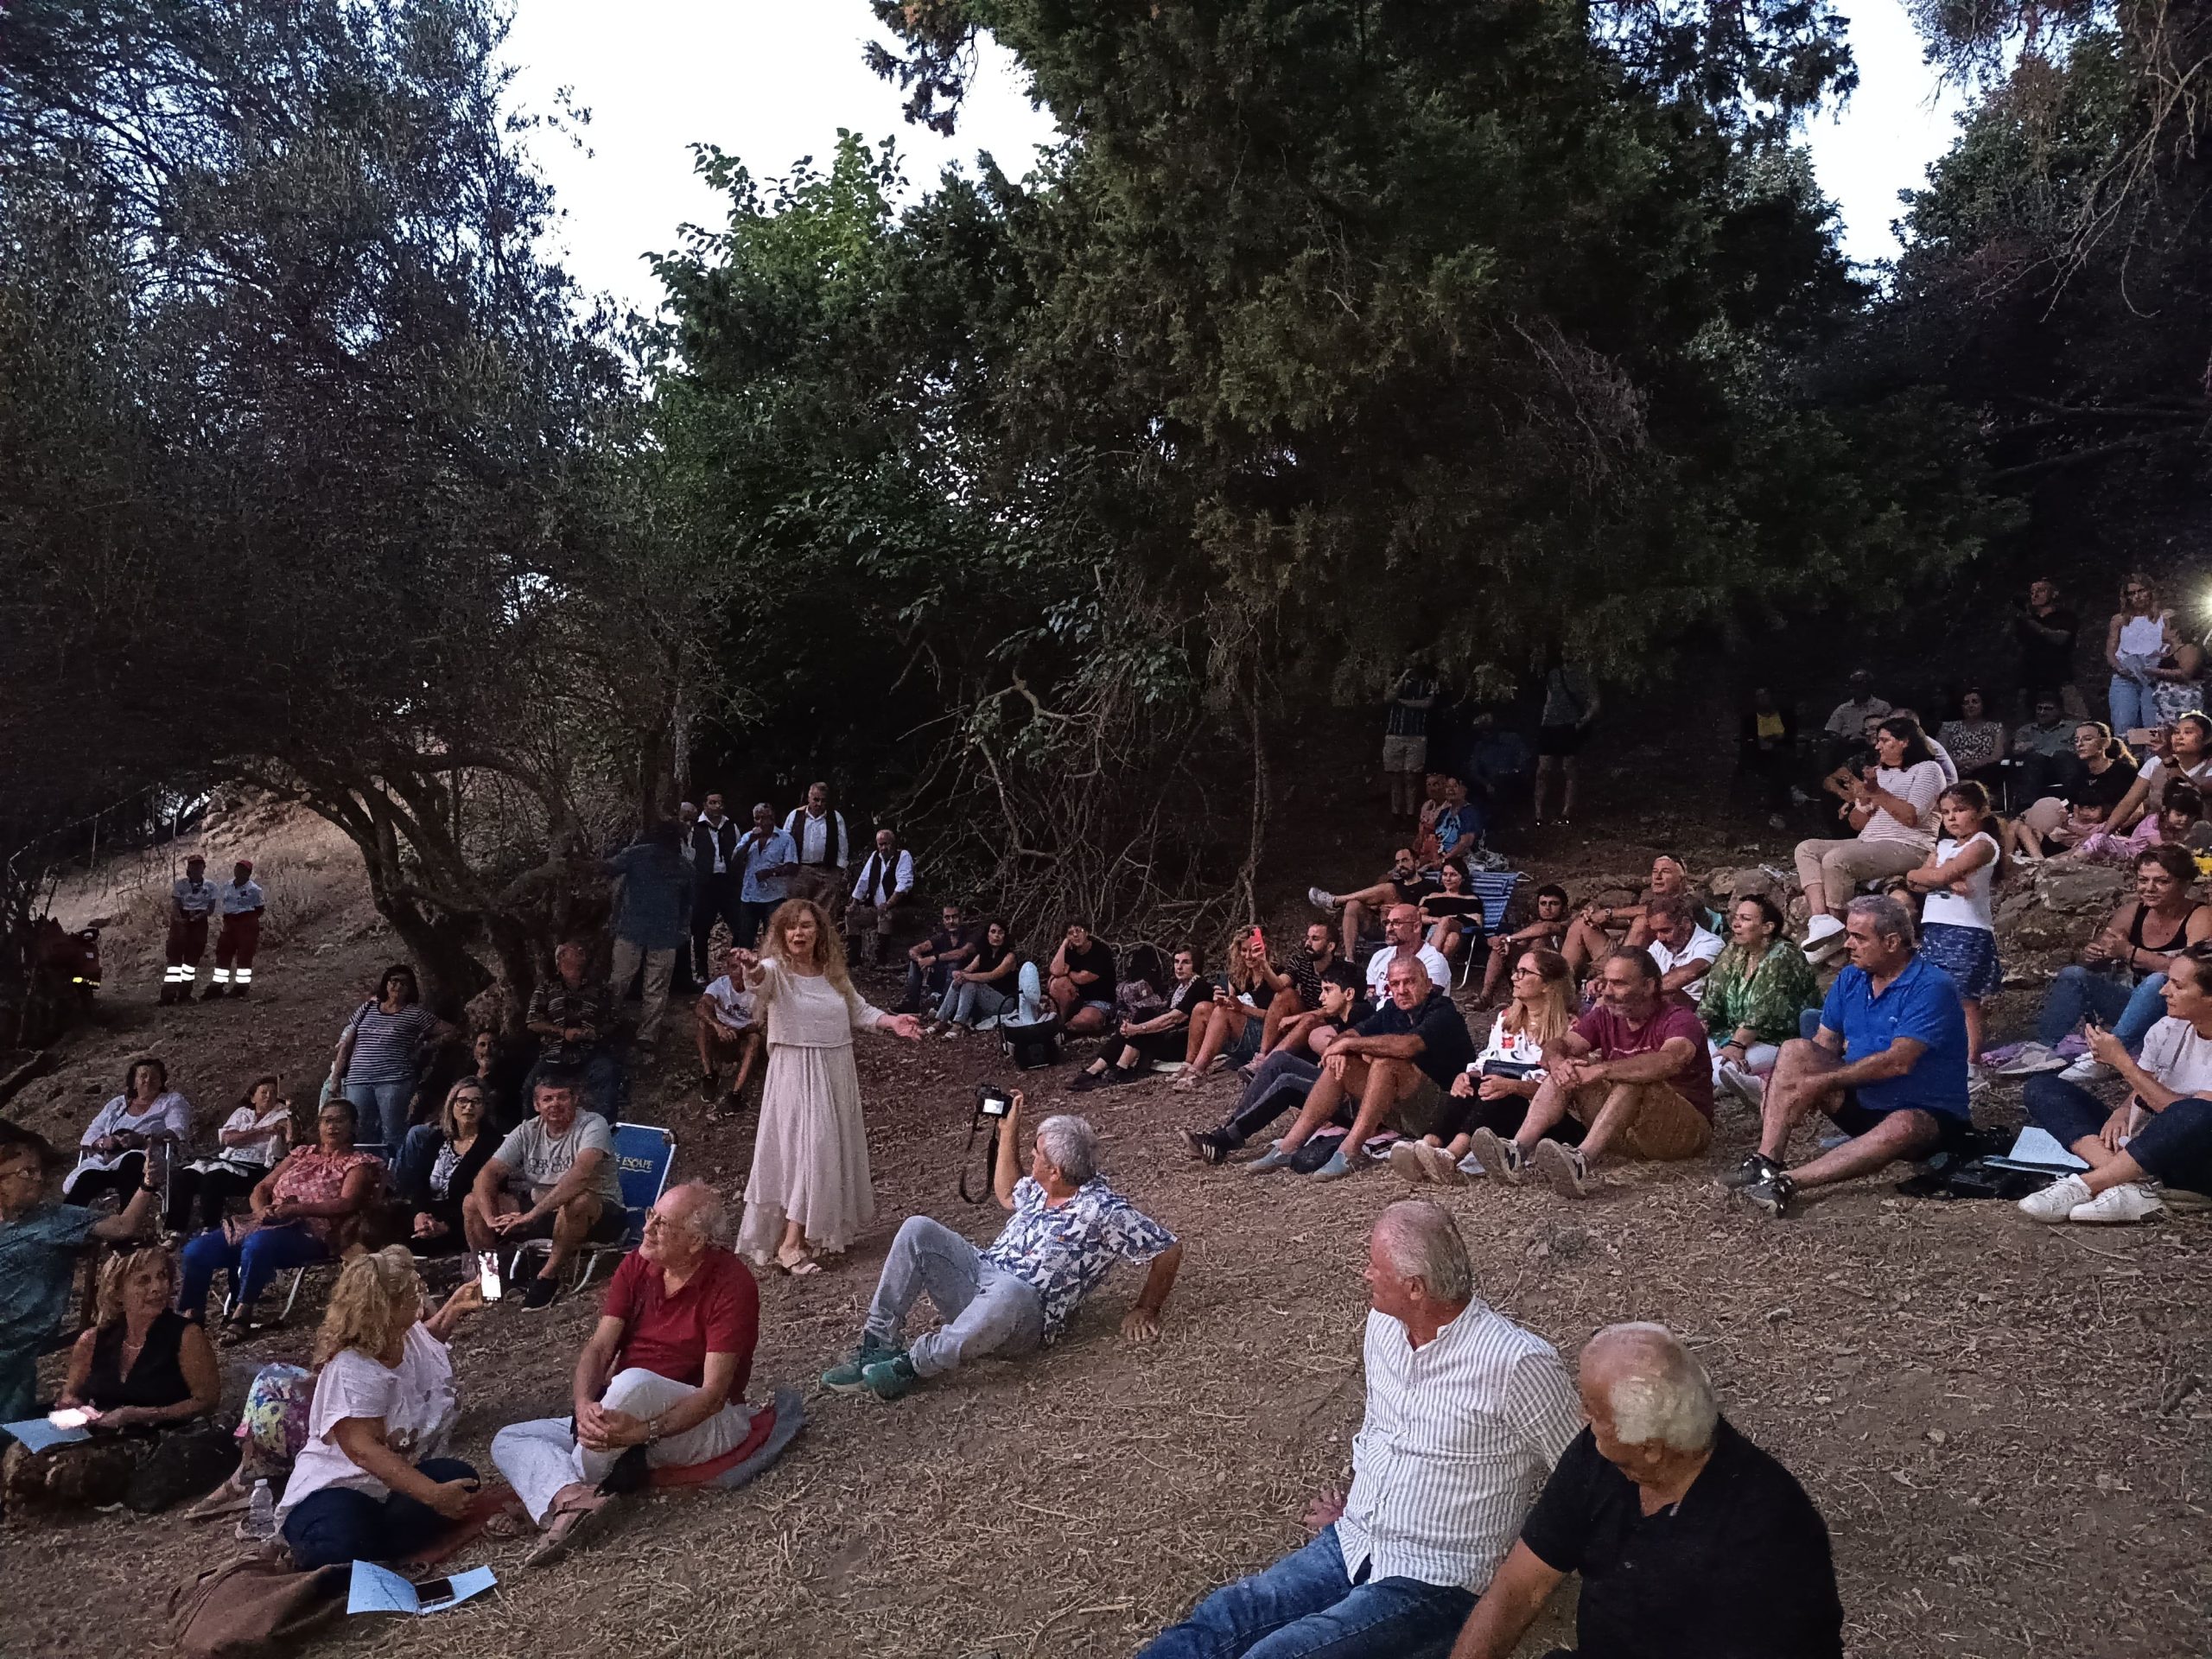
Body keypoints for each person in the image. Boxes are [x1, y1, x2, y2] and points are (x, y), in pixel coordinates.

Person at [1142, 1202, 1580, 1659]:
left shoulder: (1517, 1364)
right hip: (1354, 1541)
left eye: (1376, 1266)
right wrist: (1367, 1504)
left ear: (1415, 1288)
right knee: (1225, 1617)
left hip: (1437, 1580)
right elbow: (1382, 1429)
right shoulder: (1384, 1326)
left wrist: (1534, 1572)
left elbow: (1583, 1473)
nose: (1365, 1273)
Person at [1445, 1322, 1843, 1659]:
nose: (1583, 1418)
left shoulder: (1765, 1533)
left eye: (1595, 1413)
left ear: (1650, 1448)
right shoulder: (1600, 1456)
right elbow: (1520, 1588)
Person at [823, 1094, 1179, 1401]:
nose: (1031, 1157)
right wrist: (1008, 1132)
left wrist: (1146, 1308)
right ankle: (878, 1344)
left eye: (1036, 1154)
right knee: (918, 1229)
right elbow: (1008, 1193)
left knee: (1011, 1291)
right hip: (983, 1276)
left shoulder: (1104, 1210)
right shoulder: (1045, 1187)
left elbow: (1168, 1249)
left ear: (1055, 1170)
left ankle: (911, 1366)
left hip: (1023, 1316)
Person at [492, 1182, 763, 1566]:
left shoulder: (731, 1283)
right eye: (651, 1215)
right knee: (509, 1439)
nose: (647, 1228)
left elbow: (713, 1395)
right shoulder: (639, 1263)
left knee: (634, 1382)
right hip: (620, 1413)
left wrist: (643, 1432)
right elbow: (600, 1347)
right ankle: (573, 1497)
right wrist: (583, 1404)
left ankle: (562, 1490)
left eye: (662, 1224)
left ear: (696, 1241)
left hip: (702, 1424)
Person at [1724, 895, 1971, 1217]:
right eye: (1848, 935)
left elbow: (1898, 1061)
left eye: (1859, 937)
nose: (1848, 945)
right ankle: (1766, 1161)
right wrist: (1784, 1084)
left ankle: (1788, 1182)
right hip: (1862, 1100)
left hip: (1926, 1117)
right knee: (1795, 1050)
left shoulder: (1931, 987)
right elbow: (1823, 1043)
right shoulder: (1852, 977)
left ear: (1891, 942)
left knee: (1903, 1124)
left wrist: (1819, 1083)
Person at [730, 897, 921, 1275]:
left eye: (806, 925)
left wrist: (892, 1022)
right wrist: (752, 968)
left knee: (825, 1150)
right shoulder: (776, 970)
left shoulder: (831, 972)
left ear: (818, 931)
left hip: (835, 1068)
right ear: (781, 934)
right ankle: (790, 1244)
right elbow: (759, 983)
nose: (798, 933)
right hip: (796, 1070)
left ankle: (802, 1235)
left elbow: (858, 1010)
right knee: (810, 1150)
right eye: (791, 927)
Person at [275, 1248, 483, 1569]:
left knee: (461, 1480)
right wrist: (433, 1495)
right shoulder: (353, 1368)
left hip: (391, 1484)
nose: (420, 1295)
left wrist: (452, 1310)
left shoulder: (404, 1335)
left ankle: (375, 1547)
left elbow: (426, 1344)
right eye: (411, 1292)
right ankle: (343, 1547)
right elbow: (363, 1450)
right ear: (385, 1306)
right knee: (344, 1543)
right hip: (339, 1486)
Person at [1, 1244, 226, 1514]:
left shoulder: (186, 1336)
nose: (157, 1288)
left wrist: (144, 1414)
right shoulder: (92, 1341)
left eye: (162, 1277)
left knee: (73, 1472)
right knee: (17, 1454)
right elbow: (70, 1394)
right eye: (144, 1281)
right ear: (118, 1292)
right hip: (97, 1430)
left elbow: (206, 1401)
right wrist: (73, 1406)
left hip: (154, 1437)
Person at [1484, 949, 1712, 1197]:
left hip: (1682, 1132)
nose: (1607, 992)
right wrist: (1559, 1062)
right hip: (1626, 1132)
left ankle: (1580, 1161)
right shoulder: (1604, 1016)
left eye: (1619, 984)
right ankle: (1516, 1151)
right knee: (1570, 1067)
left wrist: (1603, 1069)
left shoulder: (1679, 1019)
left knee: (1635, 1077)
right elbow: (1561, 1045)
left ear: (1649, 986)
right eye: (1606, 982)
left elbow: (1671, 1061)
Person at [2018, 945, 2212, 1224]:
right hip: (2147, 1146)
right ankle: (2128, 1181)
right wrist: (2122, 1112)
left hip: (2197, 1158)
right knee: (2043, 1089)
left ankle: (2088, 1184)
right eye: (2168, 980)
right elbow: (2144, 1087)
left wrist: (2122, 1062)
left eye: (2178, 986)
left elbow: (2191, 1117)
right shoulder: (2169, 1027)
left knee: (2195, 1111)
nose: (2164, 991)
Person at [1996, 842, 2212, 1081]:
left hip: (2176, 1009)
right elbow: (2098, 957)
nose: (2149, 888)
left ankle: (2106, 1054)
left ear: (2184, 884)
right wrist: (2095, 955)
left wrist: (2130, 952)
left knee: (2157, 981)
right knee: (2074, 975)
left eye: (2162, 881)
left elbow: (2196, 971)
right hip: (2130, 1004)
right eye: (2143, 880)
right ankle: (2045, 1049)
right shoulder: (2133, 912)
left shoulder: (2200, 916)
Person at [1250, 955, 1476, 1181]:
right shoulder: (1392, 1009)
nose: (1402, 990)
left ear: (1428, 984)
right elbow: (1350, 1034)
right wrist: (1340, 1048)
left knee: (1387, 1062)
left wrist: (1349, 1044)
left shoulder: (1443, 1010)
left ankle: (1349, 1152)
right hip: (1402, 1110)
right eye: (1395, 984)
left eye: (1409, 982)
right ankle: (1288, 1147)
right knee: (1343, 1064)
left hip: (1442, 1111)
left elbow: (1407, 1046)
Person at [177, 1098, 385, 1332]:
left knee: (259, 1244)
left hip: (313, 1233)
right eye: (326, 1120)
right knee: (197, 1249)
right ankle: (192, 1315)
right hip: (269, 1221)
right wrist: (260, 1210)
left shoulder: (358, 1163)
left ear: (353, 1126)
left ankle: (243, 1311)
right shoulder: (302, 1154)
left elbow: (347, 1203)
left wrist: (297, 1209)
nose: (332, 1126)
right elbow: (262, 1188)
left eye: (340, 1120)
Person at [0, 1128, 161, 1421]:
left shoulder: (56, 1219)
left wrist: (148, 1185)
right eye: (27, 1172)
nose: (39, 1178)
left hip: (19, 1326)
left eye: (39, 1171)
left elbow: (123, 1226)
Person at [1397, 947, 1575, 1185]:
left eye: (1523, 972)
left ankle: (1450, 1155)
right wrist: (1465, 1075)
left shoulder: (1569, 1030)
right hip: (1501, 1103)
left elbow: (1559, 1091)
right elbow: (1487, 1058)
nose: (1514, 977)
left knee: (1499, 1091)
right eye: (1516, 971)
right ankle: (1428, 1145)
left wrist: (1512, 1086)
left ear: (1546, 984)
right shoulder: (1505, 1019)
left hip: (1543, 1119)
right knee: (1474, 1083)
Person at [464, 1071, 630, 1309]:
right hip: (545, 1210)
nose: (555, 1104)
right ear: (536, 1105)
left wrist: (532, 1215)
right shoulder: (527, 1130)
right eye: (548, 1099)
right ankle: (490, 1281)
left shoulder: (593, 1124)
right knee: (472, 1203)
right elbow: (487, 1174)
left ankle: (547, 1278)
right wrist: (491, 1219)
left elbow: (580, 1176)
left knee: (578, 1201)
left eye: (562, 1097)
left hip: (600, 1214)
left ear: (575, 1100)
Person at [1793, 715, 1946, 960]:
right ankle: (1821, 921)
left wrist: (1878, 793)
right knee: (1806, 848)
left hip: (1909, 845)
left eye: (1884, 740)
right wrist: (1862, 801)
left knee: (1837, 860)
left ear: (1905, 742)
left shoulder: (1928, 769)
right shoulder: (1880, 773)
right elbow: (1857, 823)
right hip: (1870, 841)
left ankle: (1838, 934)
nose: (1877, 746)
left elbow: (1912, 817)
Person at [1182, 966, 1369, 1165]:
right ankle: (1225, 1131)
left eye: (1328, 990)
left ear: (1349, 994)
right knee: (1278, 1060)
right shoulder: (1346, 1016)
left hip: (1357, 1103)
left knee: (1287, 1083)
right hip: (1338, 1087)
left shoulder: (1364, 1015)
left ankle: (1223, 1141)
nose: (1321, 997)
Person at [1903, 782, 2005, 1076]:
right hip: (1935, 928)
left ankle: (1971, 1065)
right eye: (1946, 812)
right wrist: (1941, 879)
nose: (1951, 818)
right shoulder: (1944, 846)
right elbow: (1912, 881)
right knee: (1934, 994)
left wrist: (1935, 876)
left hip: (1966, 930)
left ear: (1981, 811)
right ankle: (1942, 1055)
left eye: (1959, 810)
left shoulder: (1983, 844)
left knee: (1965, 1000)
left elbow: (1932, 877)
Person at [1698, 896, 1817, 1112]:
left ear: (1767, 928)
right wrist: (1700, 1025)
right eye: (1736, 918)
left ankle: (1764, 1085)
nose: (1736, 924)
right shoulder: (1735, 949)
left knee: (1714, 1068)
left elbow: (1763, 1009)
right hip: (1733, 1033)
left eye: (1745, 919)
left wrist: (1737, 1045)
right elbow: (1714, 990)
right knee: (1693, 1057)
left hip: (1779, 1039)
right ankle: (1736, 1080)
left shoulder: (1783, 955)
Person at [331, 963, 455, 1149]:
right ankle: (365, 1166)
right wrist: (336, 1078)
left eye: (404, 983)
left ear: (410, 988)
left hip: (394, 1080)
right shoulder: (367, 1008)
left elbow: (451, 1031)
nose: (398, 986)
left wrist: (425, 1046)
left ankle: (396, 1166)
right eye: (394, 981)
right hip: (358, 1078)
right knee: (360, 1131)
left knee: (393, 1132)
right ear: (386, 984)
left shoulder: (415, 1014)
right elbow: (347, 1044)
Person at [61, 1055, 193, 1218]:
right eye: (143, 1076)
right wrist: (104, 1143)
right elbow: (90, 1136)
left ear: (161, 1081)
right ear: (134, 1082)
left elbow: (177, 1130)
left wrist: (143, 1139)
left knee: (132, 1161)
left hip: (147, 1161)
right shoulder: (118, 1104)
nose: (148, 1080)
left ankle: (126, 1222)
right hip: (108, 1162)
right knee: (87, 1177)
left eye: (154, 1076)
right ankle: (65, 1225)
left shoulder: (171, 1101)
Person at [606, 820, 695, 1054]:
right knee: (646, 985)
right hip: (644, 930)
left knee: (624, 981)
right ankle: (640, 1032)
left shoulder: (642, 856)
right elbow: (687, 905)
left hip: (644, 930)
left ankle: (621, 1026)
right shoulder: (674, 863)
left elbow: (607, 868)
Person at [1071, 945, 1212, 1090]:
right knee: (1140, 1017)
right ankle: (1095, 1069)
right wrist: (1132, 1027)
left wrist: (1138, 1028)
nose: (1179, 967)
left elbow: (1174, 1019)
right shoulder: (1180, 986)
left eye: (1185, 962)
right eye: (1177, 962)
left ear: (1196, 965)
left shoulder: (1199, 986)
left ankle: (1121, 1068)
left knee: (1144, 1016)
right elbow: (1163, 1011)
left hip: (1183, 1043)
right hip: (1169, 1036)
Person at [172, 1075, 294, 1233]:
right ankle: (174, 1231)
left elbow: (290, 1133)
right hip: (229, 1162)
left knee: (214, 1178)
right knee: (183, 1176)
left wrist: (287, 1123)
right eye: (264, 1092)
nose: (269, 1096)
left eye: (273, 1092)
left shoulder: (283, 1113)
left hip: (257, 1168)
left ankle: (210, 1228)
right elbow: (227, 1139)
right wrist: (263, 1130)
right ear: (253, 1097)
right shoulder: (242, 1113)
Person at [1559, 856, 1714, 978]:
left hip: (1644, 962)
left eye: (1666, 871)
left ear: (1682, 879)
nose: (1658, 877)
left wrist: (1608, 913)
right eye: (1655, 871)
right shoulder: (1651, 902)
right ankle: (1559, 984)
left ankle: (1620, 973)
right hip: (1619, 952)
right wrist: (1593, 918)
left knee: (1642, 921)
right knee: (1582, 924)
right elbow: (1623, 921)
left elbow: (1650, 913)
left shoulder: (1691, 901)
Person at [2011, 721, 2139, 860]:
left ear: (2105, 743)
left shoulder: (2123, 771)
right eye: (2076, 740)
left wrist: (2101, 833)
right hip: (2077, 831)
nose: (2079, 744)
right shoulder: (2080, 773)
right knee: (2017, 825)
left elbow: (2138, 811)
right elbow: (2070, 804)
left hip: (2108, 835)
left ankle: (2050, 863)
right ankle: (2038, 861)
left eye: (2087, 739)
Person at [393, 1078, 497, 1250]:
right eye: (462, 1101)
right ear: (451, 1105)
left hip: (464, 1221)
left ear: (485, 1107)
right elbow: (418, 1182)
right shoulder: (437, 1139)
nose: (469, 1107)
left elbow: (485, 1195)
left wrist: (446, 1225)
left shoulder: (492, 1144)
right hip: (428, 1218)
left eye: (476, 1101)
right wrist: (420, 1214)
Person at [1176, 928, 1287, 1086]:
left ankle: (1198, 1070)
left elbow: (1279, 1017)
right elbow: (1229, 1007)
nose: (1248, 956)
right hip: (1238, 1028)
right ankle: (1188, 1064)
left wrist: (1243, 1009)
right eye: (1244, 950)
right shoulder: (1238, 975)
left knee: (1223, 1012)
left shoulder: (1277, 975)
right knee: (1202, 1008)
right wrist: (1220, 1001)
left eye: (1253, 950)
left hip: (1267, 1035)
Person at [524, 941, 621, 1116]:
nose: (582, 952)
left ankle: (605, 1126)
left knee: (608, 1073)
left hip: (589, 1053)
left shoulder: (598, 988)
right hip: (554, 1054)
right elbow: (532, 1021)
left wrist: (594, 1033)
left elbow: (613, 1020)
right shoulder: (547, 987)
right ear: (561, 957)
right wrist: (562, 1032)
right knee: (530, 1086)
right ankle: (531, 1128)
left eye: (582, 950)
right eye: (576, 950)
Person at [1308, 846, 1437, 962]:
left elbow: (1423, 913)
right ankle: (1350, 960)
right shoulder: (1393, 883)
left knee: (1389, 889)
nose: (1400, 865)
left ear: (1417, 863)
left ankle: (1336, 901)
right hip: (1382, 925)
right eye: (1397, 862)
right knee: (1353, 905)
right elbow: (1372, 907)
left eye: (1405, 860)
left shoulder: (1429, 886)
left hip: (1406, 927)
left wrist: (1397, 910)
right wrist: (1381, 909)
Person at [2108, 709, 2212, 832]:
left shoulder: (2208, 766)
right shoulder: (2155, 763)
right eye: (2176, 732)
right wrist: (2103, 835)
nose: (2179, 737)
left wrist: (2167, 759)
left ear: (2207, 739)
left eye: (2188, 732)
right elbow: (2129, 802)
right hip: (2154, 834)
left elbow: (2191, 794)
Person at [2105, 570, 2179, 737]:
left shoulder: (2165, 616)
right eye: (2132, 593)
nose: (2137, 597)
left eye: (2141, 591)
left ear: (2150, 591)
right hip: (2125, 677)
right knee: (2124, 725)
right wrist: (2119, 668)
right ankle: (2126, 754)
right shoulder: (2119, 620)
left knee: (2154, 727)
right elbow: (2111, 650)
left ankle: (2154, 754)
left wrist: (2163, 663)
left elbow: (2175, 644)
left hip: (2155, 677)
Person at [1532, 649, 1600, 826]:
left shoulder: (1585, 675)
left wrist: (1582, 722)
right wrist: (1544, 721)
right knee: (1543, 770)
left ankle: (1567, 811)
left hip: (1570, 725)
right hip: (1549, 725)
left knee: (1568, 768)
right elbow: (1549, 698)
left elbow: (1594, 702)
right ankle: (1538, 813)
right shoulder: (1554, 674)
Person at [1261, 922, 1347, 1058]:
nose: (1308, 943)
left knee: (1309, 1019)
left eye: (1315, 939)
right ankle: (1262, 1055)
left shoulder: (1341, 970)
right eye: (1308, 938)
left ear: (1330, 946)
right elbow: (1279, 985)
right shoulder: (1300, 962)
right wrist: (1263, 965)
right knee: (1284, 995)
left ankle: (1269, 1061)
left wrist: (1298, 1017)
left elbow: (1335, 1009)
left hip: (1328, 1021)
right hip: (1305, 1014)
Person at [1478, 883, 1571, 1007]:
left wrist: (1510, 939)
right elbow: (1522, 943)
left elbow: (1547, 928)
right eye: (1543, 903)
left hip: (1559, 971)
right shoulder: (1534, 925)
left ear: (1564, 907)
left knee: (1539, 941)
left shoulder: (1568, 923)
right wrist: (1504, 943)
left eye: (1553, 903)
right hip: (1530, 966)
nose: (1547, 908)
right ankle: (1485, 997)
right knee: (1501, 946)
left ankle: (1529, 997)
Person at [694, 945, 765, 1109]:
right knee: (702, 1025)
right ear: (728, 969)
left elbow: (760, 1023)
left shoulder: (758, 989)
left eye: (743, 967)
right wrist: (717, 1026)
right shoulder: (720, 985)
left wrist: (736, 1031)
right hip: (722, 1031)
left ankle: (736, 1092)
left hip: (745, 1033)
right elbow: (701, 1006)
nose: (738, 972)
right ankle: (709, 1075)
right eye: (734, 967)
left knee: (755, 1039)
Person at [689, 791, 745, 979]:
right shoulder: (696, 828)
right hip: (705, 884)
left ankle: (736, 968)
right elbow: (689, 856)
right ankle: (701, 973)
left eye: (719, 803)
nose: (717, 806)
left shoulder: (731, 827)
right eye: (712, 802)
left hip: (728, 883)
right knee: (701, 929)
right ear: (705, 805)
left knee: (740, 926)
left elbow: (738, 853)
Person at [844, 826, 918, 967]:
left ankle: (881, 960)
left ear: (893, 844)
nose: (883, 848)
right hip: (876, 907)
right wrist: (854, 903)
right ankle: (854, 958)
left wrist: (888, 904)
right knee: (851, 915)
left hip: (899, 908)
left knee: (885, 916)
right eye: (880, 845)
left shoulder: (903, 856)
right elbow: (863, 880)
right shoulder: (875, 857)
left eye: (886, 844)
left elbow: (903, 885)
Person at [934, 918, 1022, 1035]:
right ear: (987, 935)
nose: (996, 936)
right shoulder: (982, 955)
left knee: (971, 984)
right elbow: (968, 970)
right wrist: (959, 974)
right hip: (985, 1000)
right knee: (958, 982)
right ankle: (941, 1020)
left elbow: (993, 975)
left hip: (1004, 1002)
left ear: (1005, 936)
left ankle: (959, 1024)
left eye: (1000, 932)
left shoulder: (1010, 957)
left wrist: (966, 976)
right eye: (993, 932)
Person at [1642, 893, 1723, 1007]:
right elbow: (1640, 969)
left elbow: (1690, 973)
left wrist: (1639, 991)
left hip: (1700, 1010)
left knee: (1669, 995)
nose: (1660, 938)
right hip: (1667, 1008)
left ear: (1686, 924)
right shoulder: (1658, 945)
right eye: (1656, 932)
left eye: (1666, 931)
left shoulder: (1711, 943)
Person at [896, 903, 978, 1017]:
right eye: (947, 918)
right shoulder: (941, 937)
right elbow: (914, 950)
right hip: (940, 979)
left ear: (961, 917)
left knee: (954, 965)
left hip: (962, 983)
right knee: (914, 963)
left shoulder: (971, 935)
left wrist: (934, 958)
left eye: (954, 917)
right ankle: (911, 1003)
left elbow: (961, 953)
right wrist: (920, 960)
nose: (951, 921)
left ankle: (945, 1006)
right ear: (943, 920)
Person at [780, 782, 850, 915]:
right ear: (809, 798)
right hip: (800, 871)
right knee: (798, 912)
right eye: (816, 800)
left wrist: (838, 871)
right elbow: (785, 842)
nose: (819, 804)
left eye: (823, 801)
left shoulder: (835, 818)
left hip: (827, 871)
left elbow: (843, 845)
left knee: (825, 914)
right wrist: (788, 866)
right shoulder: (795, 815)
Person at [161, 854, 221, 1005]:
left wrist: (198, 917)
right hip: (181, 919)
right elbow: (175, 904)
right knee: (174, 958)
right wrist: (178, 918)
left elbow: (211, 908)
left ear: (203, 868)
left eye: (199, 866)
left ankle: (185, 994)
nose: (196, 869)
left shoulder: (210, 886)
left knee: (192, 959)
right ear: (188, 868)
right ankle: (168, 994)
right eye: (193, 866)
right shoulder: (181, 884)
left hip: (199, 921)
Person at [2017, 577, 2082, 716]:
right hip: (2031, 682)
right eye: (2032, 592)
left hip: (2060, 679)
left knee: (2075, 719)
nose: (2035, 595)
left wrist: (2034, 625)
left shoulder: (2065, 616)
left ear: (2054, 594)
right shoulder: (2025, 621)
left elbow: (2060, 638)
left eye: (2040, 591)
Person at [1383, 664, 1439, 822]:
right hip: (1395, 735)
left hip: (1416, 736)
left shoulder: (1428, 682)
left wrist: (1403, 702)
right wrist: (1403, 677)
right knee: (1395, 776)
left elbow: (1427, 703)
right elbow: (1389, 697)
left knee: (1411, 776)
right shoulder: (1396, 679)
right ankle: (1395, 813)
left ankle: (1410, 814)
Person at [2005, 691, 2081, 805]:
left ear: (2059, 711)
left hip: (2064, 767)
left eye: (2048, 709)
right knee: (2035, 759)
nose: (2042, 712)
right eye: (2039, 708)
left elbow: (2079, 748)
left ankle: (2075, 803)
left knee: (2063, 756)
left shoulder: (2073, 728)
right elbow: (2017, 749)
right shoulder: (2026, 730)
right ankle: (2028, 807)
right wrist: (2029, 745)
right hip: (2036, 770)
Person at [205, 858, 266, 1000]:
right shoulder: (227, 886)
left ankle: (241, 986)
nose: (238, 872)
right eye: (237, 869)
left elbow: (260, 908)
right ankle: (217, 985)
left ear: (249, 873)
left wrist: (247, 920)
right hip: (229, 922)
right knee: (223, 952)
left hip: (246, 922)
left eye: (243, 870)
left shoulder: (254, 890)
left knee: (244, 955)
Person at [1363, 903, 1453, 999]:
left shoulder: (1433, 961)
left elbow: (1426, 1003)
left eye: (1396, 923)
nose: (1389, 929)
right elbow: (1371, 996)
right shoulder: (1379, 957)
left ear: (1416, 927)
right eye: (1387, 923)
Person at [1047, 920, 1120, 1036]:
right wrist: (1063, 945)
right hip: (1079, 999)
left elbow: (1084, 977)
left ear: (1086, 933)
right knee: (1057, 982)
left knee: (1085, 1020)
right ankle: (1059, 1024)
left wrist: (1067, 972)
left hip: (1101, 1001)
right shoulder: (1071, 951)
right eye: (1070, 933)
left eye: (1079, 931)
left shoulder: (1100, 950)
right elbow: (1055, 970)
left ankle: (1066, 1030)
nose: (1075, 935)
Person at [1738, 685, 1798, 823]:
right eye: (1759, 697)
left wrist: (1776, 741)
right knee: (1777, 764)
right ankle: (1789, 794)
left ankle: (1777, 803)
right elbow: (1748, 740)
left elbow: (1790, 736)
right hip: (1760, 755)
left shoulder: (1784, 715)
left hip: (1783, 753)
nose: (1763, 699)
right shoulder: (1750, 719)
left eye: (1765, 695)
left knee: (1781, 759)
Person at [1417, 861, 1488, 965]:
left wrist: (1448, 920)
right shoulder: (1433, 896)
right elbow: (1417, 917)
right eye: (1445, 874)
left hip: (1463, 934)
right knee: (1452, 938)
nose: (1448, 879)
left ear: (1463, 878)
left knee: (1446, 921)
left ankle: (1424, 964)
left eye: (1453, 875)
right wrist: (1437, 920)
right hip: (1435, 933)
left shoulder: (1471, 899)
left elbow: (1477, 923)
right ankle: (1436, 968)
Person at [1937, 688, 2007, 786]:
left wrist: (1976, 764)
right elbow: (1940, 752)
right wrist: (1959, 764)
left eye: (1975, 702)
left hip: (1984, 773)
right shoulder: (1948, 727)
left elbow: (1997, 755)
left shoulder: (1996, 728)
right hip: (1953, 771)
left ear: (1983, 705)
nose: (1970, 706)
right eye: (1966, 703)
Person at [1820, 669, 1891, 754]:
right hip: (1847, 750)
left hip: (1876, 748)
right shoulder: (1842, 709)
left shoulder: (1883, 707)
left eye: (1863, 683)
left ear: (1870, 686)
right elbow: (1831, 731)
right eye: (1856, 684)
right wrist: (1844, 741)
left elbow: (1892, 730)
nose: (1860, 688)